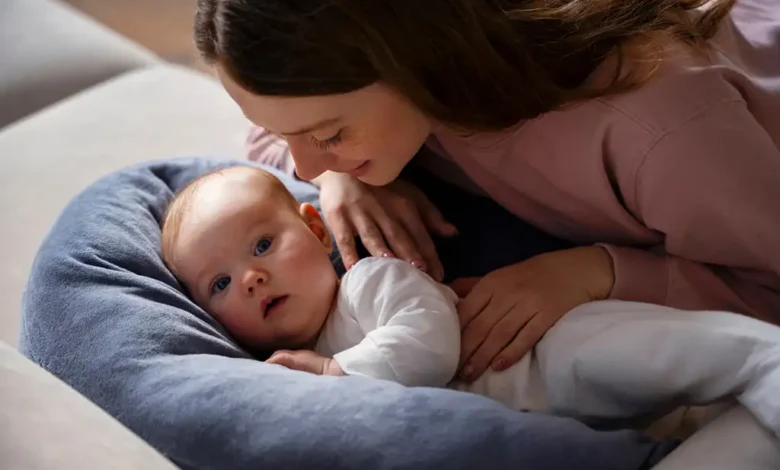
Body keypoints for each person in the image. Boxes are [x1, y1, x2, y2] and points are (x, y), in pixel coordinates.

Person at [193, 0, 780, 382]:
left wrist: (597, 273)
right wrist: (343, 172)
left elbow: (770, 284)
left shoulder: (661, 132)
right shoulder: (409, 86)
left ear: (414, 63)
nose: (300, 164)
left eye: (328, 134)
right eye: (290, 135)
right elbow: (270, 131)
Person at [159, 165, 780, 437]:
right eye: (220, 284)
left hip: (547, 355)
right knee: (717, 431)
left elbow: (430, 343)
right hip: (556, 421)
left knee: (695, 354)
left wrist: (336, 372)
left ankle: (763, 359)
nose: (250, 279)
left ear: (318, 230)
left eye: (262, 245)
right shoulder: (288, 369)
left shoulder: (369, 282)